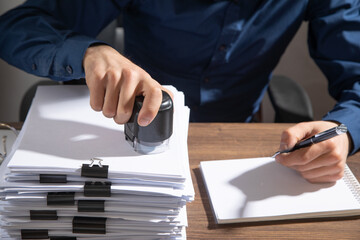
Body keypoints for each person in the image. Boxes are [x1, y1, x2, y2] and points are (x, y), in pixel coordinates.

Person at [0, 0, 359, 183]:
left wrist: (344, 131)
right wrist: (89, 52)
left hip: (235, 143)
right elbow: (15, 27)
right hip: (128, 137)